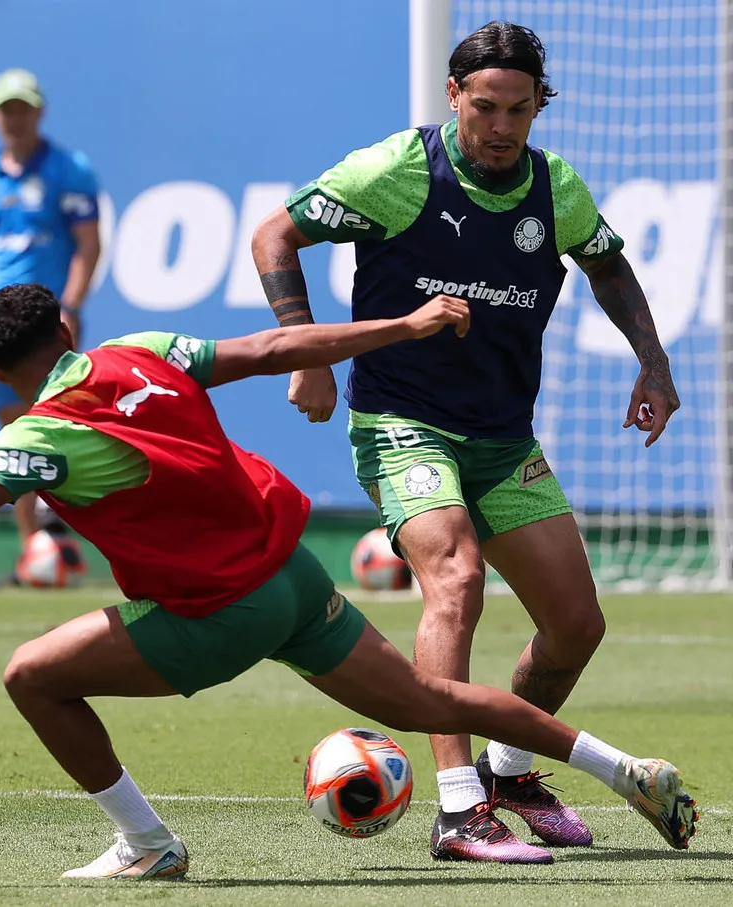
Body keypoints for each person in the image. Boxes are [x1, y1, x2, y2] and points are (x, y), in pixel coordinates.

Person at [0, 283, 696, 880]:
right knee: (432, 698)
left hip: (216, 615)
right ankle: (623, 770)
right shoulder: (141, 352)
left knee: (31, 673)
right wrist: (400, 326)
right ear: (68, 325)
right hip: (291, 574)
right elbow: (275, 348)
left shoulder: (35, 436)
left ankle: (146, 842)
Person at [250, 21, 682, 863]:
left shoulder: (554, 187)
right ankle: (458, 811)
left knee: (575, 626)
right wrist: (304, 353)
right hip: (401, 423)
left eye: (519, 110)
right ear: (455, 97)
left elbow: (607, 265)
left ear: (538, 107)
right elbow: (276, 234)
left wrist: (655, 366)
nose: (501, 127)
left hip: (500, 436)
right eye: (485, 107)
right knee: (455, 575)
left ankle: (509, 771)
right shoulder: (396, 170)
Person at [0, 67, 101, 586]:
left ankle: (100, 545)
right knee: (15, 439)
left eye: (23, 108)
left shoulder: (69, 169)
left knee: (68, 430)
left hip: (47, 322)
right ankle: (33, 554)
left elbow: (88, 245)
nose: (14, 119)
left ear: (40, 112)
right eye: (6, 109)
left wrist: (70, 306)